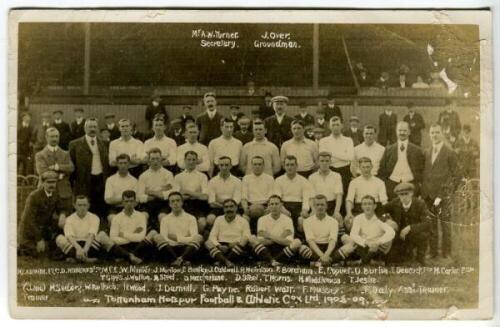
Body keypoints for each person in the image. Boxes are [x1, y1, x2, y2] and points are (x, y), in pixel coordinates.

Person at [421, 124, 460, 260]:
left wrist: (445, 194)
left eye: (437, 132)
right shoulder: (426, 152)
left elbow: (457, 176)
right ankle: (433, 252)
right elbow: (425, 173)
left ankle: (446, 252)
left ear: (442, 133)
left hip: (443, 196)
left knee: (445, 225)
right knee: (431, 225)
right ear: (429, 135)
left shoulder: (450, 152)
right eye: (432, 133)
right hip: (428, 195)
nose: (434, 135)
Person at [18, 171, 67, 257]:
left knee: (52, 249)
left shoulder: (55, 193)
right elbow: (29, 220)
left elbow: (62, 207)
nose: (52, 185)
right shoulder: (34, 196)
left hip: (44, 228)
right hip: (29, 231)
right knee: (36, 252)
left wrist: (62, 215)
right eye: (49, 182)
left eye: (54, 182)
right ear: (43, 183)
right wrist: (39, 239)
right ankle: (20, 247)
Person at [147, 192, 203, 266]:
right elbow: (164, 238)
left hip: (186, 248)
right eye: (172, 201)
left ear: (182, 202)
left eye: (178, 200)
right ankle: (180, 260)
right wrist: (185, 238)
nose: (175, 203)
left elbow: (194, 237)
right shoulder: (165, 219)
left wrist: (177, 238)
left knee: (199, 237)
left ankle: (178, 259)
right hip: (170, 249)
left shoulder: (191, 218)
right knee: (158, 237)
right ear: (169, 204)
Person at [251, 195, 310, 265]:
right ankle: (275, 261)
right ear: (268, 206)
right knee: (252, 238)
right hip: (266, 249)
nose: (274, 206)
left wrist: (268, 235)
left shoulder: (287, 220)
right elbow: (261, 241)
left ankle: (272, 261)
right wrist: (281, 237)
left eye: (276, 204)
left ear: (281, 205)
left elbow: (288, 242)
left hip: (283, 249)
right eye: (271, 204)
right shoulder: (262, 219)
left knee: (297, 242)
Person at [69, 118, 110, 219]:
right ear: (84, 128)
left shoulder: (104, 144)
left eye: (94, 127)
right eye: (90, 127)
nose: (92, 129)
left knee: (100, 208)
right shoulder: (75, 144)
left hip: (100, 179)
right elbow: (72, 164)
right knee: (85, 207)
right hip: (84, 181)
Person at [382, 182, 431, 265]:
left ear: (411, 193)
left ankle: (420, 257)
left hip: (414, 234)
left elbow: (427, 223)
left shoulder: (420, 204)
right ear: (398, 195)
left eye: (406, 194)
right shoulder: (395, 203)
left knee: (423, 234)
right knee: (394, 260)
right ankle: (405, 254)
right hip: (399, 234)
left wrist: (410, 228)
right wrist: (387, 220)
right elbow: (380, 211)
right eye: (401, 194)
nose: (404, 197)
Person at [99, 190, 149, 264]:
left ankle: (124, 257)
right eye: (126, 201)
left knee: (151, 234)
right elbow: (113, 238)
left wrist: (123, 235)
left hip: (136, 246)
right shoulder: (117, 218)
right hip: (121, 247)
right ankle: (130, 256)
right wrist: (133, 235)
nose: (129, 204)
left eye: (131, 201)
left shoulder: (141, 216)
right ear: (122, 203)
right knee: (102, 235)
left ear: (135, 202)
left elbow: (141, 237)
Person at [344, 195, 396, 265]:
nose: (367, 206)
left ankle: (362, 261)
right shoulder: (358, 218)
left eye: (370, 204)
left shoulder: (379, 218)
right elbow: (353, 234)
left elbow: (391, 232)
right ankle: (369, 261)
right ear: (362, 206)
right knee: (347, 238)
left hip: (376, 247)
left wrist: (378, 242)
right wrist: (366, 242)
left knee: (388, 240)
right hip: (364, 246)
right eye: (365, 204)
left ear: (374, 206)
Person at [379, 121, 425, 199]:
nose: (402, 133)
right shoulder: (389, 149)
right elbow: (382, 169)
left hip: (411, 185)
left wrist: (418, 186)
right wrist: (386, 184)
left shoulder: (417, 150)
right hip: (392, 185)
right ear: (396, 132)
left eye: (405, 130)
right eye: (400, 130)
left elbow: (421, 169)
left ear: (409, 132)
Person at [137, 147, 178, 231]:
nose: (155, 161)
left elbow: (171, 193)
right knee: (142, 218)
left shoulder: (168, 174)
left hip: (163, 204)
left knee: (163, 218)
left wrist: (150, 192)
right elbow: (140, 196)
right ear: (148, 160)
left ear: (161, 159)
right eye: (152, 159)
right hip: (148, 204)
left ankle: (166, 240)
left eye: (157, 158)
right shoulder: (143, 176)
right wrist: (161, 192)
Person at [35, 127, 74, 212]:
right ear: (46, 137)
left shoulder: (65, 154)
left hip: (64, 192)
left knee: (64, 218)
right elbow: (43, 172)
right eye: (52, 136)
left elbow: (71, 168)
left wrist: (57, 167)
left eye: (56, 136)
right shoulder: (40, 155)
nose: (54, 139)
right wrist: (61, 175)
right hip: (46, 191)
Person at [205, 199, 252, 267]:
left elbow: (247, 236)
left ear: (236, 208)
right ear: (223, 209)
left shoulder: (243, 221)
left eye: (231, 206)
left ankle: (222, 261)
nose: (229, 209)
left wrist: (234, 244)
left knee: (244, 239)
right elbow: (212, 236)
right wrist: (219, 246)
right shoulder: (219, 219)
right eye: (226, 207)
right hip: (221, 246)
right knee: (208, 242)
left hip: (236, 246)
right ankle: (227, 261)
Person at [273, 155, 313, 232]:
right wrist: (282, 209)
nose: (289, 167)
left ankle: (301, 239)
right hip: (284, 206)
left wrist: (304, 210)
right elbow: (277, 198)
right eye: (287, 165)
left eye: (292, 165)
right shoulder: (278, 180)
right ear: (284, 166)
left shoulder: (304, 181)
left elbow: (306, 198)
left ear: (296, 166)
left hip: (299, 206)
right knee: (283, 219)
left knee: (302, 221)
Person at [55, 195, 101, 263]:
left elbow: (92, 235)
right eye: (79, 205)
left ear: (88, 206)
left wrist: (85, 249)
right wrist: (79, 249)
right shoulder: (69, 219)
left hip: (89, 245)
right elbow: (69, 237)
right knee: (59, 238)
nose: (82, 208)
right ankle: (87, 260)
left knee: (102, 235)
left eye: (84, 205)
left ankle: (76, 259)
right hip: (74, 245)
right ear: (75, 206)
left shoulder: (95, 218)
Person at [318, 116, 354, 199]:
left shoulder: (348, 140)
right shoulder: (324, 140)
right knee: (330, 193)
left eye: (337, 125)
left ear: (342, 126)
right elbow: (324, 156)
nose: (335, 127)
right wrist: (342, 155)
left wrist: (331, 153)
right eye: (333, 125)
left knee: (344, 193)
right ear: (329, 126)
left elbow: (350, 157)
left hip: (345, 171)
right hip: (330, 169)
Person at [174, 151, 210, 233]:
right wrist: (197, 194)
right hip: (183, 205)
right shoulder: (178, 177)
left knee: (202, 223)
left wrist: (187, 191)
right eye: (189, 159)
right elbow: (176, 197)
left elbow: (205, 197)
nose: (191, 162)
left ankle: (195, 239)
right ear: (185, 160)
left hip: (198, 205)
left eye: (193, 159)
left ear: (197, 161)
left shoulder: (203, 176)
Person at [345, 157, 388, 224]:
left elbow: (384, 201)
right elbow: (349, 200)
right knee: (349, 222)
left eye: (368, 167)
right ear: (359, 168)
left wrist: (386, 214)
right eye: (363, 167)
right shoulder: (354, 182)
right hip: (359, 209)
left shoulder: (380, 182)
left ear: (372, 167)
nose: (366, 170)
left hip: (376, 209)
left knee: (390, 224)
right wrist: (349, 213)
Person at [303, 195, 341, 267]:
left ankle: (317, 263)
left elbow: (333, 241)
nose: (320, 207)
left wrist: (326, 255)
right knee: (302, 249)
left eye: (322, 204)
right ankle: (329, 262)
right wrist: (322, 256)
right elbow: (310, 241)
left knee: (347, 248)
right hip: (315, 248)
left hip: (329, 248)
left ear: (326, 206)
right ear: (314, 206)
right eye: (317, 205)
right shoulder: (307, 221)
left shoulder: (334, 221)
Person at [241, 156, 275, 231]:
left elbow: (271, 197)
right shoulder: (246, 178)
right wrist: (246, 209)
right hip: (250, 206)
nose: (257, 166)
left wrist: (269, 208)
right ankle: (247, 237)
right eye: (255, 164)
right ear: (251, 166)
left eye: (259, 164)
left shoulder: (270, 178)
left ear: (263, 166)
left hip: (265, 206)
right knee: (244, 219)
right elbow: (244, 197)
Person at [207, 157, 242, 228]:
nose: (224, 167)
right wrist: (225, 206)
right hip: (217, 208)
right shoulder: (212, 181)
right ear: (218, 166)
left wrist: (226, 205)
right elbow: (211, 203)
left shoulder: (237, 181)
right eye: (221, 165)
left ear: (231, 166)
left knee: (241, 220)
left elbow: (236, 201)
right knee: (210, 219)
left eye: (226, 165)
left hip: (233, 208)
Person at [308, 152, 343, 223]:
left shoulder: (336, 176)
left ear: (330, 162)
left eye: (327, 161)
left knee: (338, 219)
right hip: (317, 206)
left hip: (331, 206)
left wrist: (336, 211)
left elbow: (339, 195)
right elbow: (311, 197)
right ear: (318, 162)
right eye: (322, 161)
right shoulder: (312, 177)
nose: (324, 163)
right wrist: (313, 210)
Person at [104, 153, 138, 226]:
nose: (123, 165)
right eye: (120, 163)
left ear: (129, 164)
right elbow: (108, 200)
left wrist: (117, 199)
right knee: (112, 218)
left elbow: (135, 200)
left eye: (125, 163)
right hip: (115, 209)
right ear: (117, 164)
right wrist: (126, 199)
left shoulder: (134, 180)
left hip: (130, 209)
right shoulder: (110, 180)